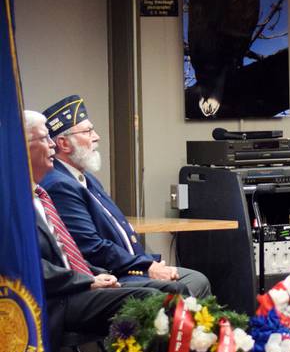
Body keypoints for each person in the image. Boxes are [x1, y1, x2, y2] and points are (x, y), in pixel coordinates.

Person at [39, 95, 211, 298]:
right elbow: (91, 247)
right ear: (64, 143)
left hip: (128, 266)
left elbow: (119, 230)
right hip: (108, 275)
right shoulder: (60, 184)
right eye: (87, 131)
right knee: (193, 282)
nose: (96, 137)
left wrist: (149, 263)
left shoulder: (85, 178)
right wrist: (146, 266)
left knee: (196, 279)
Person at [24, 109, 161, 352]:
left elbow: (66, 252)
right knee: (150, 299)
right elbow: (30, 265)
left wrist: (96, 273)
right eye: (44, 138)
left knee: (163, 295)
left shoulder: (40, 195)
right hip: (55, 298)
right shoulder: (14, 202)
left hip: (78, 284)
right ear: (22, 147)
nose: (52, 145)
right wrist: (87, 280)